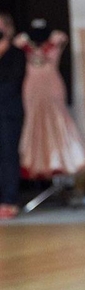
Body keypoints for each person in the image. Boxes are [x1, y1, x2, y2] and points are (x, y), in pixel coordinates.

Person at [14, 19, 85, 182]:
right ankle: (40, 165)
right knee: (34, 123)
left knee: (59, 122)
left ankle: (63, 161)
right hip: (32, 89)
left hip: (52, 87)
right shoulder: (22, 41)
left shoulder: (57, 39)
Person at [0, 12, 25, 219]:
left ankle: (9, 200)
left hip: (8, 111)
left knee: (8, 154)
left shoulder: (16, 53)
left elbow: (13, 82)